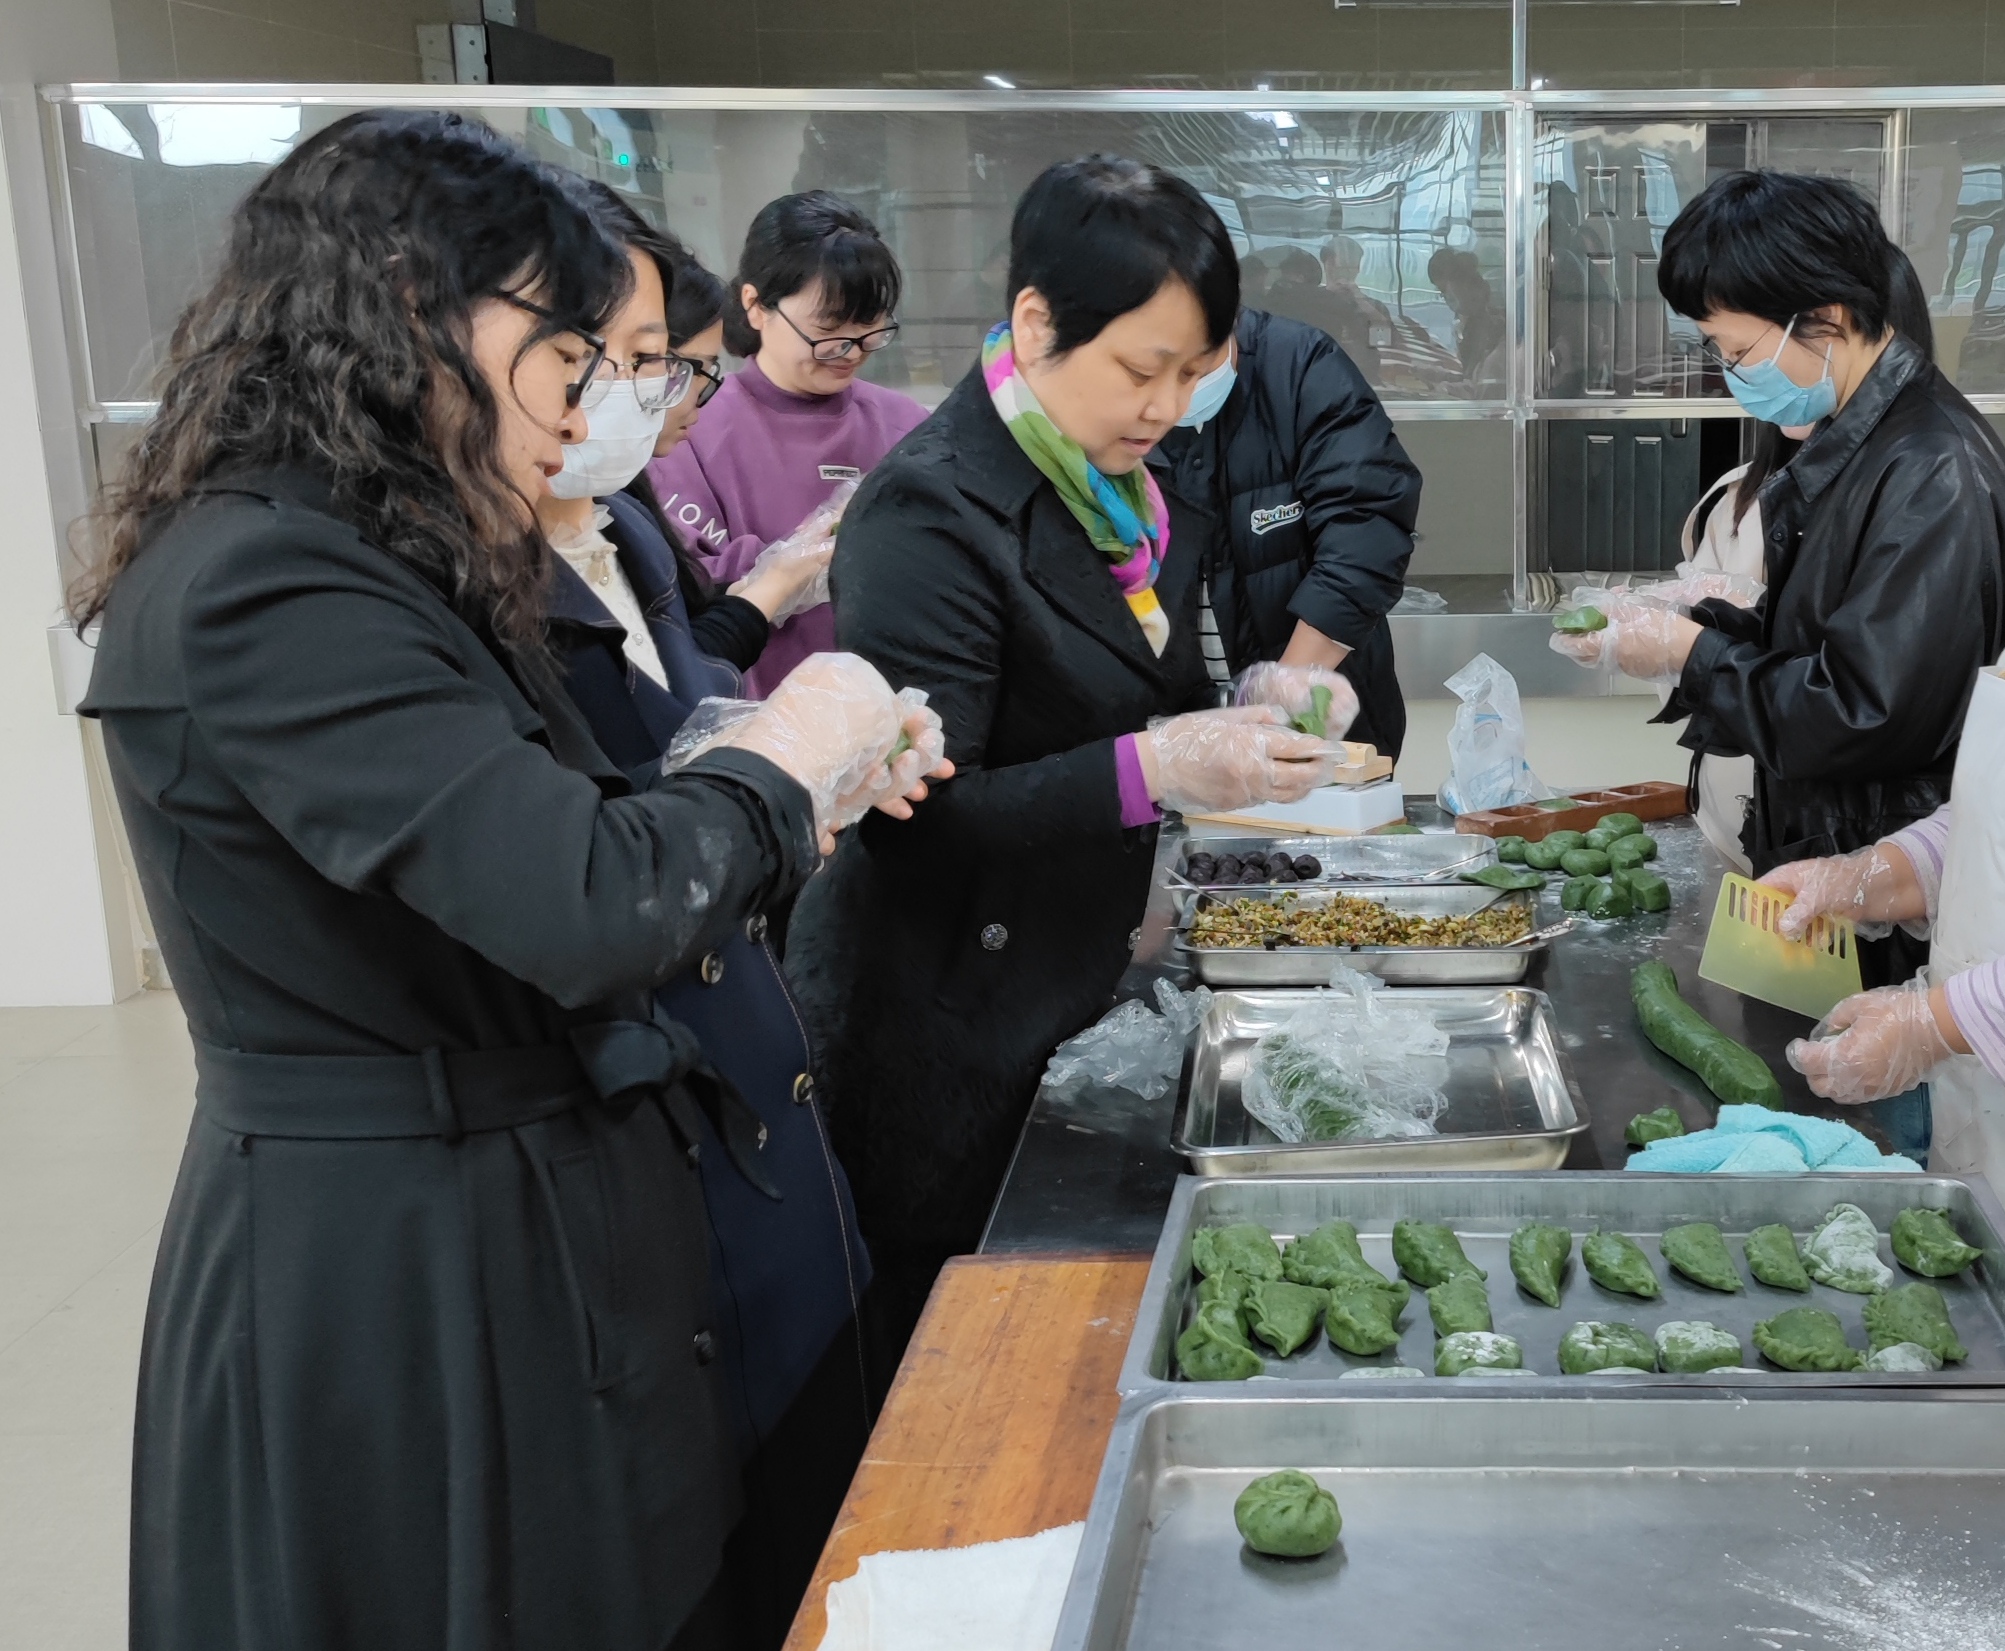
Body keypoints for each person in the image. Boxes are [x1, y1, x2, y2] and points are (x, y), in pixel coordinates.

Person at [75, 110, 941, 1651]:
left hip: (547, 1194)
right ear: (413, 305)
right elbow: (594, 901)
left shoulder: (414, 543)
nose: (600, 407)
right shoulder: (268, 577)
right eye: (572, 357)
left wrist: (775, 767)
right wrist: (784, 751)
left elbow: (583, 809)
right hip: (405, 1247)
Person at [787, 155, 1345, 1396]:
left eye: (1193, 375)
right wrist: (1151, 766)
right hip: (937, 1014)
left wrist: (1246, 701)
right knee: (949, 1371)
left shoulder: (1124, 491)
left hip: (1063, 971)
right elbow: (922, 819)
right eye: (1142, 369)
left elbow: (1127, 678)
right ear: (1036, 321)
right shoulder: (931, 514)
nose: (1166, 405)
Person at [536, 185, 886, 1650]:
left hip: (745, 1015)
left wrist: (818, 758)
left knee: (817, 1460)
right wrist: (783, 754)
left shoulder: (615, 522)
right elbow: (600, 867)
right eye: (618, 361)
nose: (647, 399)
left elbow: (687, 698)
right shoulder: (434, 584)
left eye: (656, 368)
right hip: (642, 1081)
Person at [1553, 168, 2005, 996]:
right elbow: (1820, 644)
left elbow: (1864, 713)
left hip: (1883, 904)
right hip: (1825, 864)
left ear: (1823, 317)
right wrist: (1697, 624)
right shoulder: (1853, 443)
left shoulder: (1929, 470)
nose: (1730, 373)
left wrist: (1691, 654)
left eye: (1736, 350)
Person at [648, 190, 929, 696]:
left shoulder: (906, 425)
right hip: (757, 716)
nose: (850, 351)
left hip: (894, 706)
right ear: (756, 306)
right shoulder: (690, 428)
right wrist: (796, 562)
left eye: (869, 329)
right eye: (829, 329)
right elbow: (683, 586)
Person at [1150, 273, 1423, 755]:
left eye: (1199, 365)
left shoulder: (1301, 365)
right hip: (1165, 729)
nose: (1180, 389)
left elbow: (1367, 524)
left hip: (1318, 714)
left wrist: (1289, 689)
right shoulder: (1108, 392)